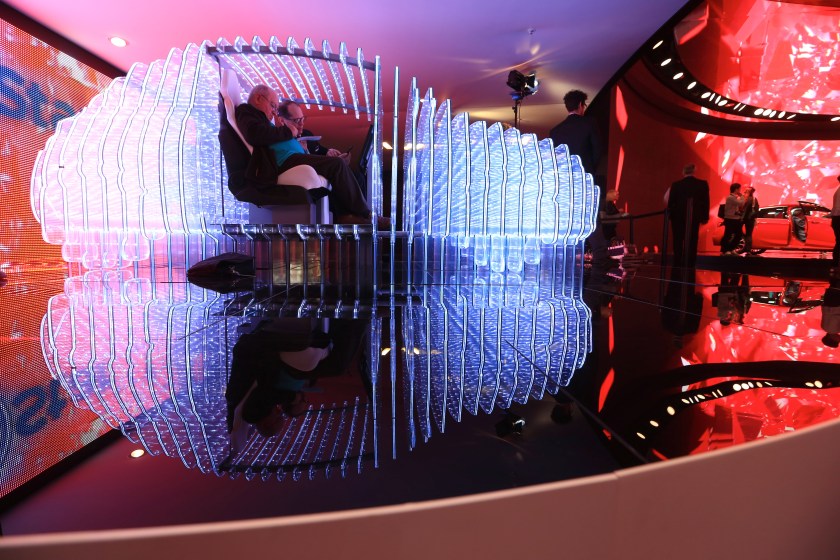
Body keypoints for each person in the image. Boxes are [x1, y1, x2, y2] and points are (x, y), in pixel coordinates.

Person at [234, 85, 384, 227]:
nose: (274, 112)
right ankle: (367, 215)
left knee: (336, 166)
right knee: (336, 165)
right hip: (284, 161)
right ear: (258, 98)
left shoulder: (261, 120)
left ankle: (347, 215)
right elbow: (255, 134)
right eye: (273, 106)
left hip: (291, 158)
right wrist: (288, 132)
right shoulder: (246, 111)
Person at [666, 163, 710, 268]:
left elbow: (671, 202)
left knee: (678, 239)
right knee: (693, 239)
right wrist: (705, 217)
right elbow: (706, 202)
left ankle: (677, 262)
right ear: (694, 171)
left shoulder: (676, 184)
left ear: (683, 172)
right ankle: (690, 263)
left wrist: (670, 217)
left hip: (678, 217)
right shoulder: (702, 184)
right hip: (694, 216)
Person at [549, 90, 601, 175]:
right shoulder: (590, 123)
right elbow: (597, 150)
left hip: (564, 177)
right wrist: (590, 169)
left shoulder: (554, 131)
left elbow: (556, 157)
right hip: (585, 174)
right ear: (580, 104)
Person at [720, 183, 744, 255]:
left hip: (735, 219)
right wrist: (742, 196)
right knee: (728, 234)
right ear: (736, 189)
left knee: (739, 234)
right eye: (739, 188)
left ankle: (731, 248)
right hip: (730, 219)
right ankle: (725, 250)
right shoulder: (730, 197)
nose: (740, 190)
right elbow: (741, 203)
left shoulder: (734, 197)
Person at [740, 186, 759, 254]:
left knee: (748, 234)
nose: (745, 191)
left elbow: (756, 210)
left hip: (747, 219)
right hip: (746, 218)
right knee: (746, 234)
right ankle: (746, 249)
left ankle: (748, 250)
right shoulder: (743, 198)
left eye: (747, 190)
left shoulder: (752, 199)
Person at [831, 176, 840, 272]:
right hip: (839, 218)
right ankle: (836, 264)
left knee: (838, 242)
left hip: (836, 218)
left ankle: (835, 264)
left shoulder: (837, 191)